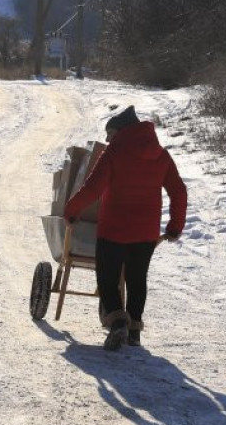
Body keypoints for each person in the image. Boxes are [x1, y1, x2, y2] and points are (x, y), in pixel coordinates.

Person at [65, 105, 187, 350]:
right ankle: (134, 332)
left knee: (107, 278)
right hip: (146, 233)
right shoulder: (161, 155)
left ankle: (118, 321)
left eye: (110, 134)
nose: (109, 139)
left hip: (114, 230)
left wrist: (71, 211)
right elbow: (179, 192)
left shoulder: (114, 153)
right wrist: (174, 226)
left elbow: (92, 189)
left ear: (120, 131)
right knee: (137, 279)